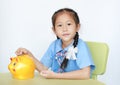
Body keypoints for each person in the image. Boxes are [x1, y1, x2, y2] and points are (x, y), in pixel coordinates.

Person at [15, 8, 95, 79]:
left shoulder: (81, 46)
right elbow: (43, 68)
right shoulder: (54, 45)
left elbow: (85, 74)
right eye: (60, 25)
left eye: (69, 24)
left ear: (77, 27)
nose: (64, 29)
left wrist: (56, 76)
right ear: (54, 30)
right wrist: (29, 55)